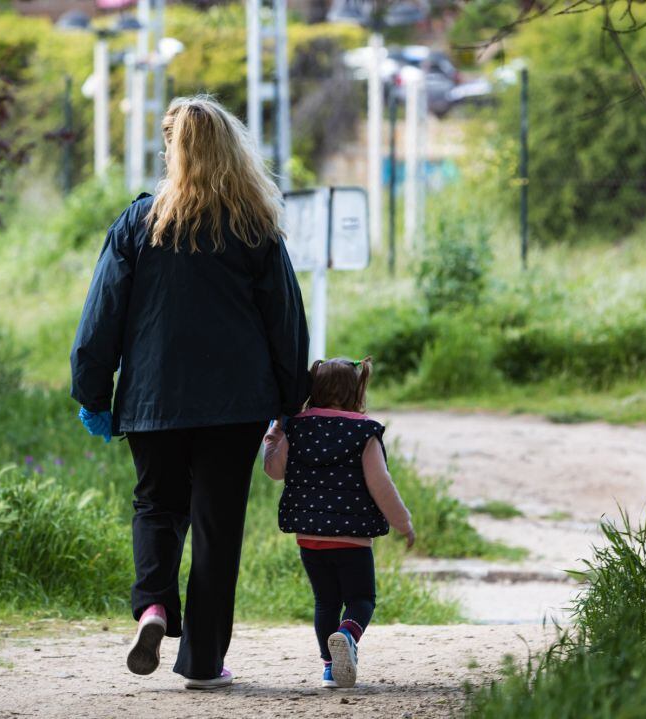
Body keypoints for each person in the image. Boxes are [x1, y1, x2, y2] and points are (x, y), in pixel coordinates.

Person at [70, 95, 310, 689]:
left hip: (153, 400)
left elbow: (101, 316)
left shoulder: (139, 223)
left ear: (172, 150)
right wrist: (290, 403)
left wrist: (93, 394)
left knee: (156, 504)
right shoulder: (254, 227)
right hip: (236, 405)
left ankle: (153, 606)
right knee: (217, 525)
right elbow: (285, 323)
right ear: (235, 152)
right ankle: (203, 661)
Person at [263, 357, 416, 690]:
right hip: (353, 540)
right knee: (361, 599)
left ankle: (331, 669)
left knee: (325, 602)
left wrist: (274, 434)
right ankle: (347, 635)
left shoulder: (297, 426)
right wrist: (403, 523)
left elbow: (274, 470)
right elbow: (381, 484)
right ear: (357, 391)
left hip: (310, 538)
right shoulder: (364, 431)